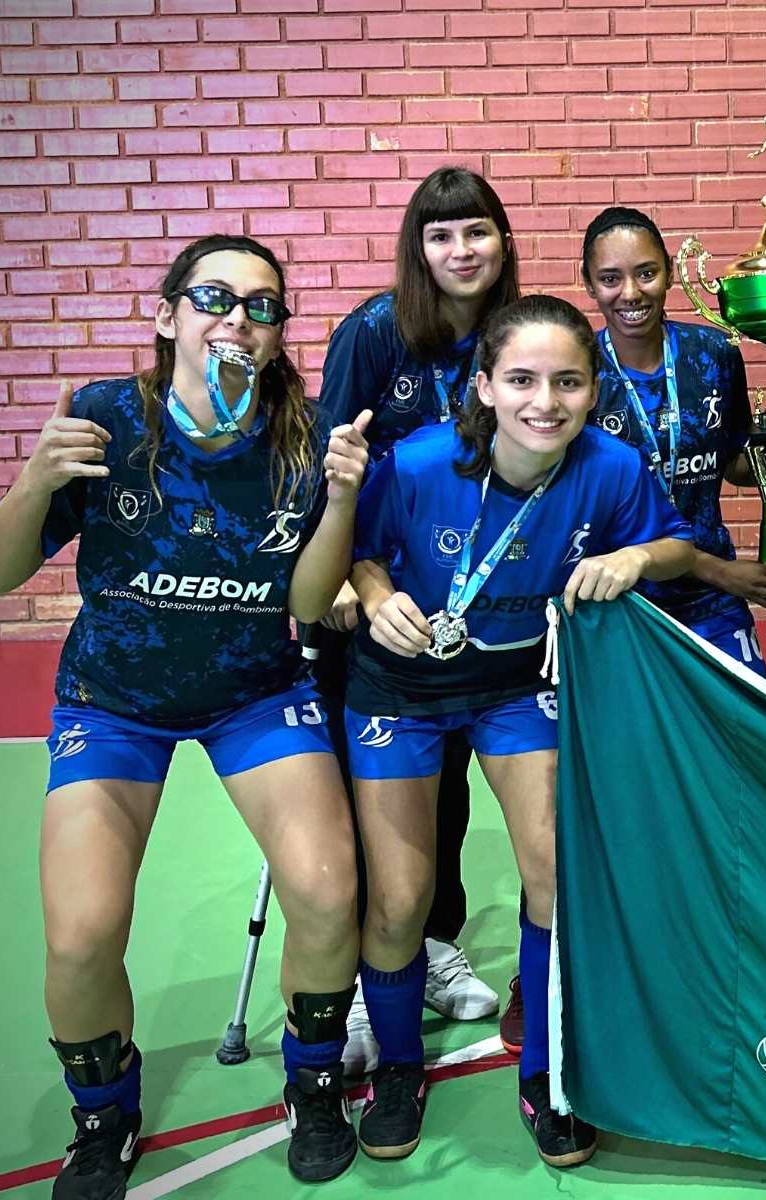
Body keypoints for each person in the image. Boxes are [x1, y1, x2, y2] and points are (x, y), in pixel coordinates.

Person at [0, 234, 374, 1195]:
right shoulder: (109, 420)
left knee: (325, 890)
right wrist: (34, 477)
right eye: (213, 296)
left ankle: (311, 1084)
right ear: (167, 316)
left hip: (256, 693)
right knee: (79, 934)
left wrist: (342, 504)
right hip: (116, 703)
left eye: (263, 305)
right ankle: (103, 1117)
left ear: (279, 336)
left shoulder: (308, 437)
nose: (238, 317)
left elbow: (310, 605)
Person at [341, 295, 694, 1166]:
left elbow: (675, 546)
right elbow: (360, 548)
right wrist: (379, 598)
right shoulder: (420, 463)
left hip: (513, 685)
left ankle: (547, 1072)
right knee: (398, 900)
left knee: (552, 872)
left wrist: (634, 557)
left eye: (568, 382)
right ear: (485, 386)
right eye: (523, 380)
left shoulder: (610, 468)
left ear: (593, 387)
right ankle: (395, 1066)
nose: (546, 401)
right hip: (401, 686)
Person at [316, 167, 520, 1070]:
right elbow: (328, 460)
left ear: (502, 241)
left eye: (476, 232)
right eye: (441, 237)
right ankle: (366, 979)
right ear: (419, 247)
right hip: (377, 599)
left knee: (451, 783)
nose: (461, 251)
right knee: (379, 798)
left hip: (478, 601)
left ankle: (433, 947)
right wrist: (341, 577)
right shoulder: (373, 331)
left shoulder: (514, 337)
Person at [580, 205, 766, 675]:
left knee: (738, 738)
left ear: (669, 271)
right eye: (610, 278)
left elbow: (733, 462)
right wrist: (721, 571)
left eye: (646, 272)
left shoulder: (713, 353)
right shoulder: (578, 369)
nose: (631, 293)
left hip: (712, 601)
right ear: (588, 283)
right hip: (620, 599)